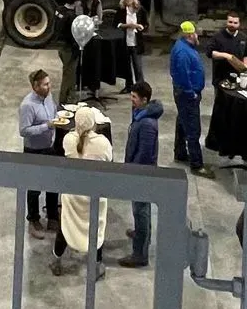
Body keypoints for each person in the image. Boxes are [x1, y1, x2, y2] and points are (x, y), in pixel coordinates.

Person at [52, 106, 112, 278]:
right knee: (97, 227)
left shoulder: (69, 140)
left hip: (73, 194)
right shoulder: (103, 143)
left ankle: (57, 260)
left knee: (66, 226)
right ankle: (96, 265)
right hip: (95, 193)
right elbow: (109, 161)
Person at [119, 81, 162, 268]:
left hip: (141, 173)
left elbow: (144, 153)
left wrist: (132, 172)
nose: (132, 100)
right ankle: (141, 234)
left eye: (134, 98)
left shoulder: (147, 125)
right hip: (137, 170)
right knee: (139, 210)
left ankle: (140, 253)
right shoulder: (141, 114)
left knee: (141, 211)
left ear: (145, 100)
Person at [17, 69, 61, 238]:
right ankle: (33, 219)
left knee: (52, 183)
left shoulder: (48, 97)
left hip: (50, 146)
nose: (49, 87)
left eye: (49, 83)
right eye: (45, 84)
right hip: (34, 150)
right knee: (34, 186)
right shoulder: (27, 105)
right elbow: (24, 131)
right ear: (35, 86)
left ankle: (52, 216)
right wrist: (46, 126)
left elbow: (53, 111)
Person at [169, 21, 213, 177]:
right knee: (193, 129)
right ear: (190, 35)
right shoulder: (183, 53)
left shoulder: (185, 47)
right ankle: (197, 164)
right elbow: (182, 75)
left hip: (186, 94)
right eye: (196, 34)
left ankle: (180, 153)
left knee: (182, 121)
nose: (198, 36)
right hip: (187, 95)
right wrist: (190, 93)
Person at [205, 11, 247, 88]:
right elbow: (209, 52)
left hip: (237, 78)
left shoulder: (244, 38)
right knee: (220, 99)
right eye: (230, 22)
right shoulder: (217, 36)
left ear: (239, 24)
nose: (232, 25)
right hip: (220, 78)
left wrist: (245, 66)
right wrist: (226, 56)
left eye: (235, 23)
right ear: (226, 22)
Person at [119, 0, 147, 89]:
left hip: (136, 43)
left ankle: (140, 87)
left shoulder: (140, 9)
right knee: (126, 67)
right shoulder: (121, 10)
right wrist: (126, 26)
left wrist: (140, 27)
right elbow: (116, 24)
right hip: (125, 42)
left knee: (138, 67)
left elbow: (145, 24)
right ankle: (128, 86)